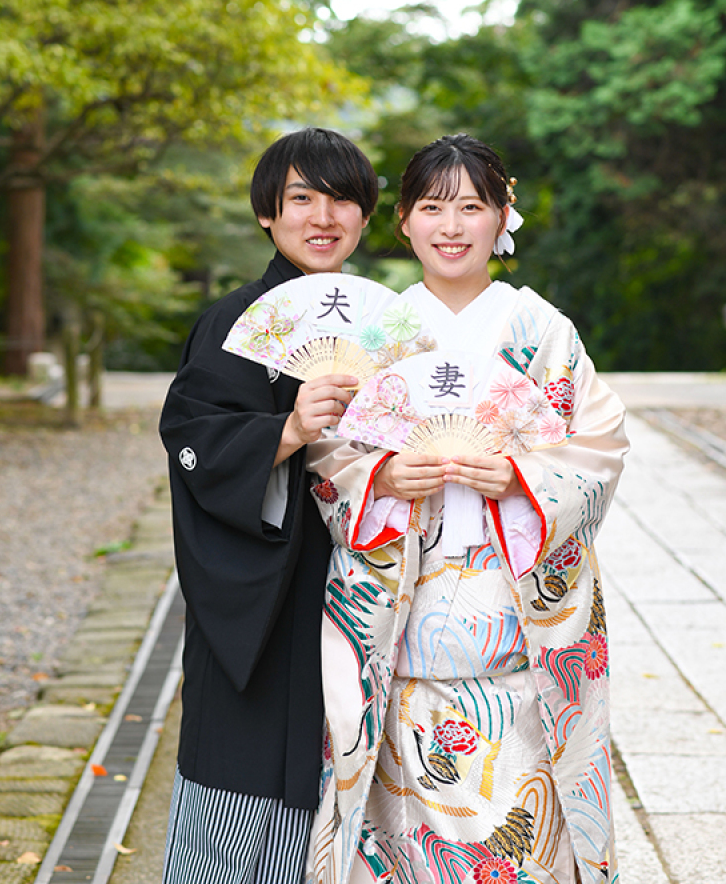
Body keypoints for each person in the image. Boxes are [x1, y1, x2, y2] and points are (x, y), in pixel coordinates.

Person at [305, 133, 629, 884]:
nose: (452, 226)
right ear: (405, 224)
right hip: (399, 604)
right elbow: (324, 451)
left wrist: (517, 474)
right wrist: (380, 475)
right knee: (396, 822)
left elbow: (601, 446)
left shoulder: (541, 331)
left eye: (472, 207)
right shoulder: (371, 332)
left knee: (521, 822)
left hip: (509, 612)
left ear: (502, 217)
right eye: (432, 207)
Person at [159, 127, 377, 884]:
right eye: (301, 198)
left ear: (366, 216)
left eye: (342, 198)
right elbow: (192, 438)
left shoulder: (384, 327)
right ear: (267, 213)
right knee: (234, 809)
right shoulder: (232, 321)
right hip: (264, 598)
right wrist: (285, 429)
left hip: (364, 592)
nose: (323, 216)